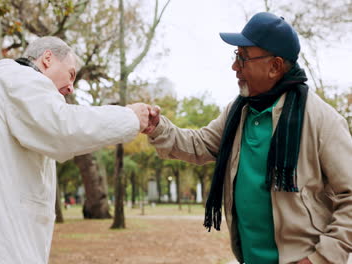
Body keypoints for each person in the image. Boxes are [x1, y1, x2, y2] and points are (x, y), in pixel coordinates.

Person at [144, 12, 352, 264]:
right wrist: (157, 127)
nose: (235, 67)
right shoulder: (238, 111)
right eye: (236, 56)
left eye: (243, 58)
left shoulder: (321, 119)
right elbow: (198, 144)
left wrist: (320, 259)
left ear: (275, 66)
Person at [0, 36, 154, 264]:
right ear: (47, 58)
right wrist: (129, 117)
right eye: (70, 74)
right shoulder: (21, 79)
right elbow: (63, 127)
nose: (70, 87)